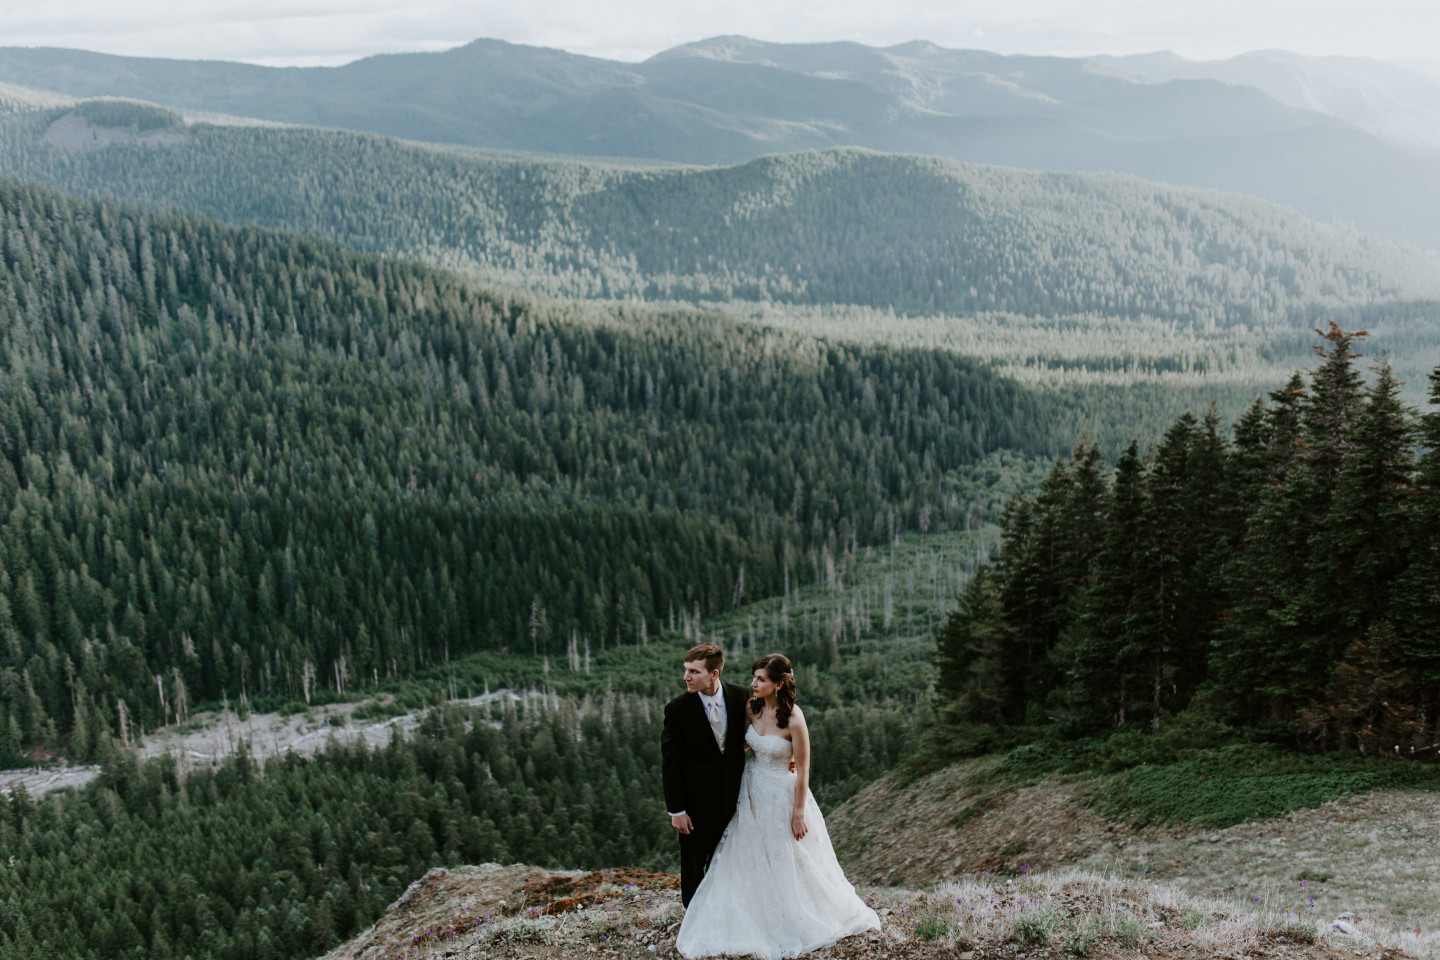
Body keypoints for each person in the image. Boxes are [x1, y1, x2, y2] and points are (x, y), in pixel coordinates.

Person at [674, 653, 880, 959]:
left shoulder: (795, 719)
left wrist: (798, 812)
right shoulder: (751, 707)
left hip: (783, 795)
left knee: (787, 853)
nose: (753, 684)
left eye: (761, 679)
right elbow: (742, 744)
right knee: (748, 853)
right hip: (751, 789)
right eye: (754, 677)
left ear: (779, 685)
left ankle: (790, 914)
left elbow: (804, 769)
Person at [661, 643, 751, 907]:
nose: (686, 677)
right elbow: (670, 763)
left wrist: (789, 759)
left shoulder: (740, 695)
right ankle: (693, 918)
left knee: (727, 859)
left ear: (714, 674)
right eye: (686, 670)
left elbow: (761, 731)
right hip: (695, 804)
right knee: (693, 863)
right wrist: (676, 810)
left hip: (734, 797)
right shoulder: (677, 709)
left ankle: (724, 912)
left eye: (694, 671)